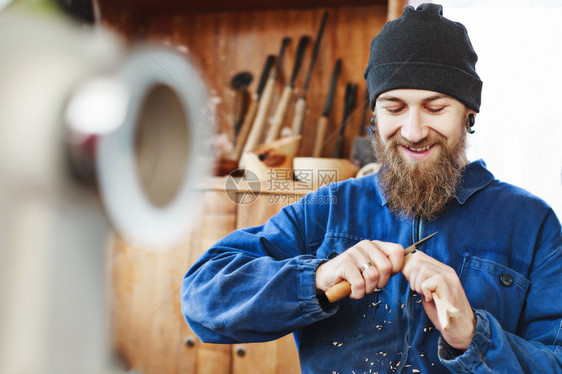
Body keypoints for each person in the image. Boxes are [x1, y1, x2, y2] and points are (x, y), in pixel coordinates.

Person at [181, 3, 562, 373]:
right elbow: (202, 297)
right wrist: (316, 278)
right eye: (394, 108)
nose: (413, 132)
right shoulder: (328, 209)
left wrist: (475, 336)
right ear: (374, 114)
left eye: (435, 107)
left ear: (469, 115)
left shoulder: (532, 224)